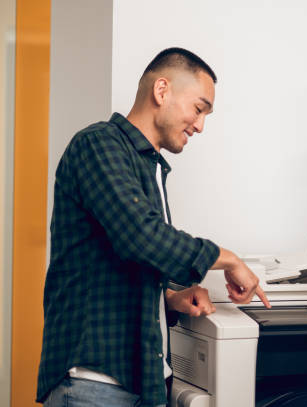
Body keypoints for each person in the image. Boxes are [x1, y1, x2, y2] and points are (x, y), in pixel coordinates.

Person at [36, 47, 271, 407]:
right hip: (94, 384)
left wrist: (171, 301)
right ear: (162, 91)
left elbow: (125, 266)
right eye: (199, 108)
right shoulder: (98, 144)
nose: (200, 125)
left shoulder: (149, 167)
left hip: (143, 381)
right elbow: (140, 237)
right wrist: (229, 260)